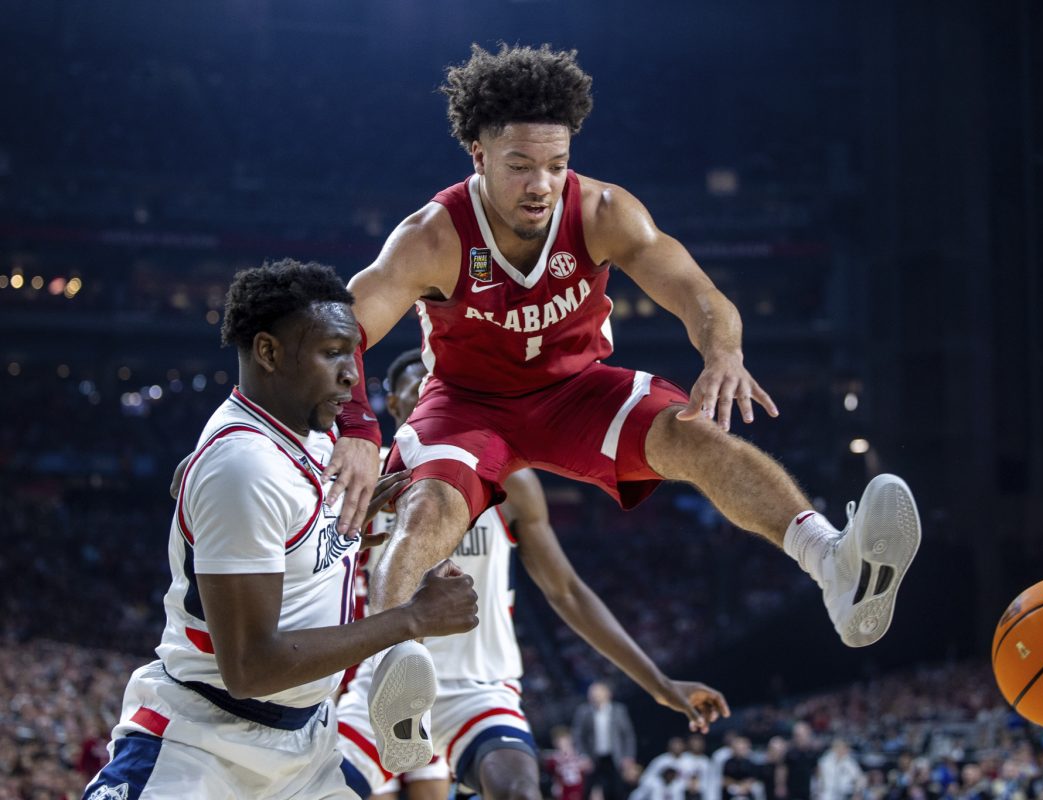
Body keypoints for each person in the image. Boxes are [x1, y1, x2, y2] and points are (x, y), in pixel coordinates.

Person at [324, 42, 921, 659]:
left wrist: (724, 352)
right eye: (520, 165)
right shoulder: (434, 236)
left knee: (698, 437)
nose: (541, 185)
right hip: (468, 403)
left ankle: (834, 565)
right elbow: (339, 330)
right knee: (430, 507)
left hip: (575, 390)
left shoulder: (603, 211)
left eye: (556, 164)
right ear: (478, 155)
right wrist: (357, 428)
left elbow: (697, 291)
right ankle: (391, 662)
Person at [81, 260, 479, 800]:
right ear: (268, 352)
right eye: (332, 352)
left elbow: (264, 519)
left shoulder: (308, 433)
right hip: (204, 745)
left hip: (304, 747)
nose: (352, 374)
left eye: (353, 352)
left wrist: (347, 530)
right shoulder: (245, 465)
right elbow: (251, 667)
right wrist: (412, 618)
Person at [335, 350, 729, 799]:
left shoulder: (509, 481)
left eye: (436, 385)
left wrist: (659, 684)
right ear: (398, 404)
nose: (429, 394)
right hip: (383, 682)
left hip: (477, 688)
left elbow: (566, 591)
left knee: (520, 791)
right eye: (417, 388)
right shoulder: (370, 481)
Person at [573, 680, 638, 800]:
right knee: (588, 791)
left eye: (597, 692)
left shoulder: (619, 710)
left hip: (615, 757)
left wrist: (628, 756)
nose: (594, 695)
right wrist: (583, 756)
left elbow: (628, 736)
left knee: (617, 791)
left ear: (607, 693)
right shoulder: (584, 712)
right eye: (592, 692)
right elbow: (578, 736)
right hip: (593, 758)